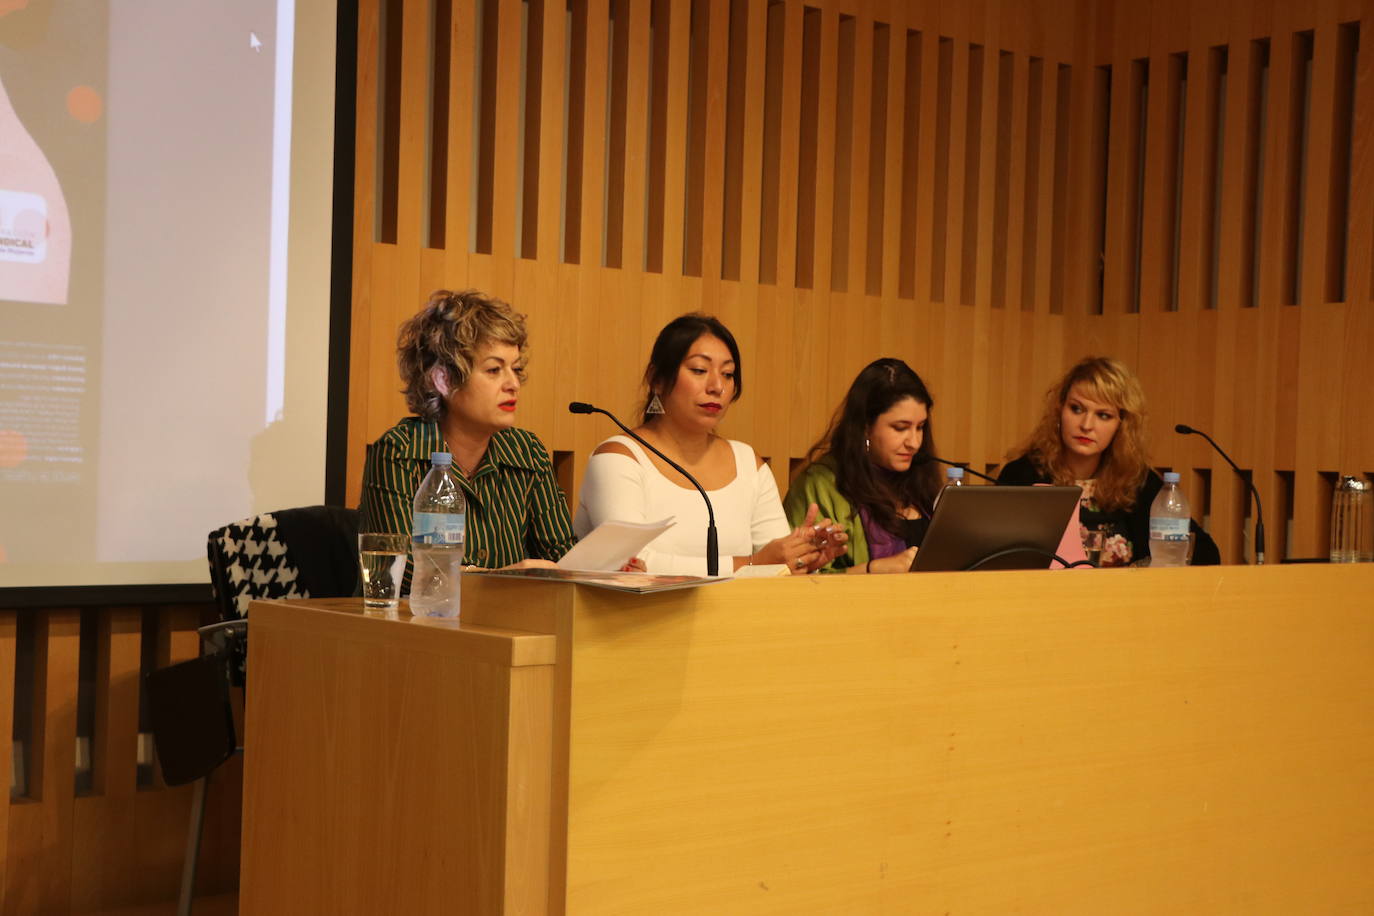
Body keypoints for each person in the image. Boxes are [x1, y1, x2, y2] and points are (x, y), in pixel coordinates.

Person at [573, 313, 847, 575]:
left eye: (728, 374)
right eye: (699, 370)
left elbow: (775, 561)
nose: (717, 386)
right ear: (657, 380)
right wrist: (753, 563)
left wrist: (803, 557)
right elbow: (631, 564)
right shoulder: (618, 458)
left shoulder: (747, 462)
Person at [359, 289, 577, 582]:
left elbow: (561, 555)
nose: (513, 384)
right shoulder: (399, 451)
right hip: (415, 612)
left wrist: (612, 567)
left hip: (510, 612)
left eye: (515, 369)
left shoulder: (526, 451)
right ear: (444, 379)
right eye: (494, 370)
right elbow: (402, 570)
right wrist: (499, 579)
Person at [996, 356, 1219, 566]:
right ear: (1059, 410)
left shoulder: (1137, 481)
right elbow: (996, 558)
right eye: (1077, 409)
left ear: (1122, 425)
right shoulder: (1022, 475)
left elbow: (1205, 553)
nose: (1086, 425)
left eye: (1103, 415)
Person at [783, 359, 943, 573]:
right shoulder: (821, 484)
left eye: (920, 427)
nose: (914, 443)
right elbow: (799, 577)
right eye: (900, 428)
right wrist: (873, 569)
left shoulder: (921, 476)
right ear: (866, 426)